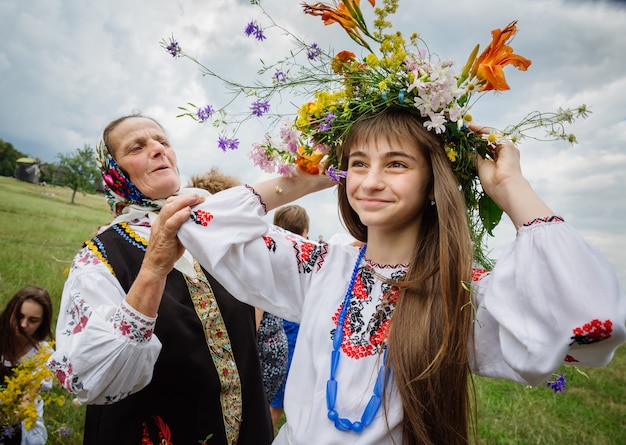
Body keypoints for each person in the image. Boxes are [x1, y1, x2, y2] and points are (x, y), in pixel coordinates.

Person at [167, 108, 626, 445]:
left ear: (433, 184)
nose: (370, 181)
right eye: (359, 163)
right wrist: (305, 175)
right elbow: (199, 224)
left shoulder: (463, 292)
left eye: (397, 164)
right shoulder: (320, 266)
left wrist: (510, 189)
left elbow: (590, 325)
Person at [46, 114, 274, 445]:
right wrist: (153, 267)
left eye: (162, 141)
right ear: (115, 172)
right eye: (136, 147)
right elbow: (89, 378)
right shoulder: (99, 259)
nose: (157, 149)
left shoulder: (212, 228)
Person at [188, 167, 290, 429]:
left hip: (259, 354)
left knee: (250, 420)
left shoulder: (237, 253)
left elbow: (251, 317)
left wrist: (239, 365)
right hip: (255, 351)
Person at [268, 205, 310, 432]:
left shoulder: (269, 255)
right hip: (294, 336)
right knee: (282, 404)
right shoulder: (308, 261)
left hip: (271, 333)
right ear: (304, 232)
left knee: (272, 404)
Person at [0, 285, 54, 445]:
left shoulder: (42, 354)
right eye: (19, 316)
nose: (23, 324)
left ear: (42, 323)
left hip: (18, 423)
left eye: (33, 320)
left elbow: (26, 401)